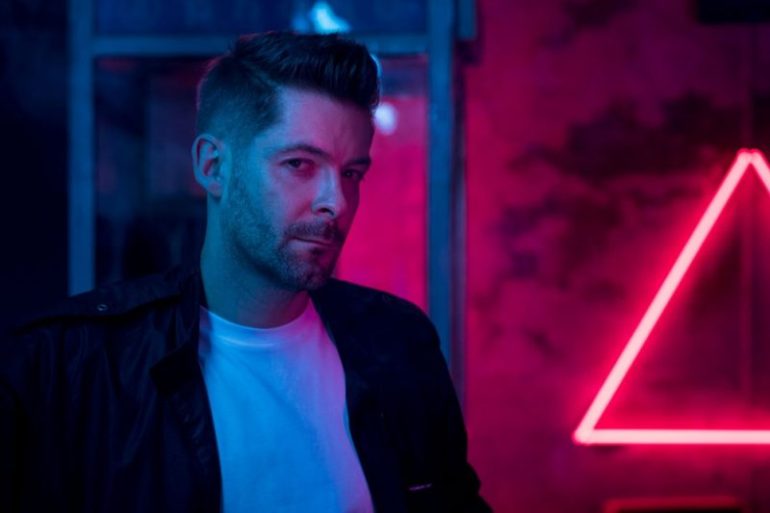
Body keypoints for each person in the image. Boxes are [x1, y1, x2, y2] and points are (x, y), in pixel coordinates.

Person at [0, 32, 491, 513]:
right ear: (213, 166)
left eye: (351, 173)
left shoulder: (399, 344)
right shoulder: (71, 366)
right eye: (299, 164)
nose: (336, 203)